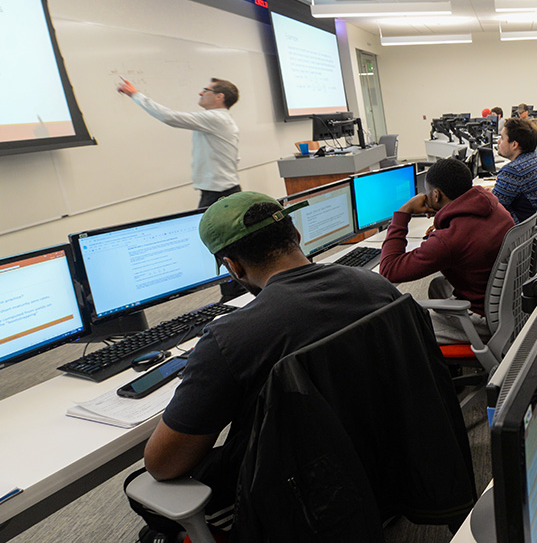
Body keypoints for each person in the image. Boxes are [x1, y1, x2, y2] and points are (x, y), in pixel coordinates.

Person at [133, 192, 402, 536]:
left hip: (298, 496)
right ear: (297, 235)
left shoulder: (228, 338)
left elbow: (162, 465)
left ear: (233, 265)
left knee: (142, 486)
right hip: (380, 464)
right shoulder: (376, 285)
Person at [379, 158, 515, 344]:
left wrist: (403, 212)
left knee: (398, 329)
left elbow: (389, 270)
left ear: (436, 195)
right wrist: (444, 215)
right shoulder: (496, 208)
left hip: (482, 321)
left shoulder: (448, 239)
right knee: (438, 285)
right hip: (507, 306)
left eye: (428, 193)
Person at [117, 77, 240, 208]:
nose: (201, 93)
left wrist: (135, 95)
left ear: (219, 97)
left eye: (206, 90)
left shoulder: (216, 118)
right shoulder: (222, 119)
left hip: (219, 194)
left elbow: (169, 117)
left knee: (205, 228)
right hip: (223, 191)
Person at [492, 118, 537, 222]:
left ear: (514, 145)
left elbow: (492, 207)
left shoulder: (513, 171)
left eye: (502, 138)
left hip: (524, 232)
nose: (498, 141)